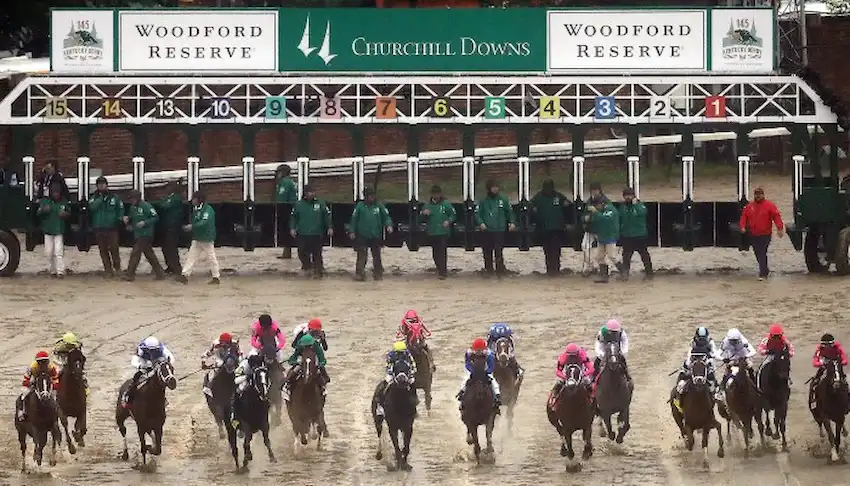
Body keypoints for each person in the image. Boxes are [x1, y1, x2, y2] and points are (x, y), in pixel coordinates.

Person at [739, 187, 784, 280]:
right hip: (753, 234)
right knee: (757, 253)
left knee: (762, 252)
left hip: (765, 234)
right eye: (756, 194)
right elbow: (744, 216)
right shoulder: (749, 206)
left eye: (759, 194)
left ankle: (763, 274)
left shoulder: (770, 205)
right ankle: (765, 270)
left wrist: (779, 228)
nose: (758, 196)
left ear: (763, 195)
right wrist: (742, 226)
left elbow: (776, 217)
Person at [349, 187, 393, 281]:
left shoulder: (379, 205)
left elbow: (386, 216)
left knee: (376, 255)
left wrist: (389, 225)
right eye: (370, 196)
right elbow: (354, 219)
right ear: (365, 196)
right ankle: (359, 273)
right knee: (362, 255)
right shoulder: (360, 206)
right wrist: (352, 231)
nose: (372, 198)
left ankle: (378, 273)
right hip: (362, 234)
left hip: (375, 235)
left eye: (373, 195)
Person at [290, 184, 333, 279]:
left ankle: (318, 271)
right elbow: (293, 217)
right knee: (302, 252)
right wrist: (292, 228)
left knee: (317, 253)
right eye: (310, 192)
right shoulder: (299, 204)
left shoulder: (320, 203)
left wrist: (329, 227)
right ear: (305, 193)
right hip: (302, 233)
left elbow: (326, 216)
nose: (312, 194)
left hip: (316, 233)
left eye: (313, 191)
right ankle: (307, 267)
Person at [122, 190, 166, 281]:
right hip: (138, 234)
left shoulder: (146, 206)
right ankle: (160, 273)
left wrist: (145, 223)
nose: (132, 201)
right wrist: (128, 221)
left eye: (133, 199)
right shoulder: (132, 208)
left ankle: (130, 274)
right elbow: (132, 218)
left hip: (146, 233)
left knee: (135, 253)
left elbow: (155, 217)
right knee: (149, 254)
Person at [475, 180, 516, 277]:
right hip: (486, 230)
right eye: (493, 187)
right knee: (487, 252)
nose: (495, 189)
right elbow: (477, 214)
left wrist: (512, 222)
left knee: (499, 252)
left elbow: (510, 213)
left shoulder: (503, 200)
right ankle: (489, 270)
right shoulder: (483, 201)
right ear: (489, 188)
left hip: (499, 229)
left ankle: (500, 271)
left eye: (497, 187)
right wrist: (481, 223)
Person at [178, 191, 220, 285]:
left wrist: (192, 227)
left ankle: (216, 277)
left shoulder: (208, 210)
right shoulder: (197, 209)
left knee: (211, 257)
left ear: (199, 200)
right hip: (198, 237)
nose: (192, 200)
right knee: (191, 256)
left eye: (194, 198)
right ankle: (184, 275)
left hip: (206, 238)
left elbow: (204, 222)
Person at [120, 336, 174, 408]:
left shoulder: (162, 348)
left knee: (162, 377)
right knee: (137, 376)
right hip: (144, 362)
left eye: (155, 350)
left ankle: (163, 397)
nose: (154, 352)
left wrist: (165, 364)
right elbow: (134, 361)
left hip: (157, 362)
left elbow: (171, 358)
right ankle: (127, 394)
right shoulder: (141, 350)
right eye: (152, 350)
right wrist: (141, 366)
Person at [531, 179, 569, 276]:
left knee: (555, 251)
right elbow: (530, 206)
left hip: (556, 229)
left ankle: (554, 270)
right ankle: (551, 270)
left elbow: (567, 204)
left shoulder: (557, 196)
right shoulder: (539, 197)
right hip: (544, 229)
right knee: (549, 251)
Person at [88, 176, 124, 277]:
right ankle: (108, 270)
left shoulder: (114, 197)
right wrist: (101, 199)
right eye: (99, 184)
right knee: (103, 250)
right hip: (99, 227)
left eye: (103, 184)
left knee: (114, 249)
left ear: (107, 185)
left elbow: (120, 209)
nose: (101, 186)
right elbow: (92, 207)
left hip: (112, 228)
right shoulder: (93, 197)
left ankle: (117, 268)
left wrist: (119, 218)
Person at [419, 184, 456, 279]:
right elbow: (420, 219)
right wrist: (424, 214)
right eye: (434, 194)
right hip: (432, 232)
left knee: (442, 252)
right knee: (435, 253)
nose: (436, 195)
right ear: (431, 194)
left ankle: (443, 272)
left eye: (438, 193)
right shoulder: (427, 205)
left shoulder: (446, 204)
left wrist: (448, 221)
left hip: (443, 232)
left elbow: (453, 214)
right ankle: (439, 268)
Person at [456, 337, 501, 413]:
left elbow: (491, 366)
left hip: (485, 370)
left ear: (484, 349)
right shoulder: (469, 353)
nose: (478, 352)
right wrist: (472, 370)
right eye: (477, 350)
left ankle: (497, 397)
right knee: (465, 380)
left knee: (494, 382)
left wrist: (487, 371)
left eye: (480, 350)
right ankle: (462, 396)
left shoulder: (489, 354)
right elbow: (467, 364)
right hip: (473, 370)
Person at [375, 340, 418, 417]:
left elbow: (413, 365)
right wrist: (392, 374)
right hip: (394, 375)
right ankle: (380, 405)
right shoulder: (391, 355)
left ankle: (414, 404)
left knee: (413, 383)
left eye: (402, 352)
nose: (401, 353)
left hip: (406, 375)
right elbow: (388, 366)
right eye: (399, 352)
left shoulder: (408, 354)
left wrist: (411, 374)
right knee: (385, 383)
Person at [675, 327, 721, 399]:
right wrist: (688, 362)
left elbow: (714, 352)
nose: (702, 340)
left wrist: (715, 357)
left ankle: (716, 392)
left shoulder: (710, 342)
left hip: (706, 361)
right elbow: (690, 353)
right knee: (684, 371)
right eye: (700, 338)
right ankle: (678, 392)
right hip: (694, 360)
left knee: (712, 372)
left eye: (703, 338)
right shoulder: (693, 342)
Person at [619, 187, 653, 280]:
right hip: (627, 235)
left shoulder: (640, 205)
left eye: (629, 195)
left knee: (644, 255)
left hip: (639, 235)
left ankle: (649, 273)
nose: (628, 197)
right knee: (626, 256)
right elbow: (620, 218)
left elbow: (643, 212)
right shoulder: (623, 207)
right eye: (626, 196)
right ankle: (625, 274)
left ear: (633, 196)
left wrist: (635, 205)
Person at [281, 334, 328, 402]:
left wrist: (320, 365)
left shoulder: (316, 345)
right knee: (292, 372)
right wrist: (296, 362)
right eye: (305, 346)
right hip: (301, 363)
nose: (307, 347)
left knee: (320, 374)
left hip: (314, 363)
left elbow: (322, 359)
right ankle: (288, 387)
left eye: (309, 346)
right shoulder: (300, 346)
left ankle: (323, 389)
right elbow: (292, 358)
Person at [38, 183, 70, 278]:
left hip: (59, 229)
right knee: (48, 252)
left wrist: (65, 214)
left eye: (57, 192)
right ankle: (52, 270)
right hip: (48, 229)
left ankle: (60, 271)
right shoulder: (45, 201)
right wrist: (44, 210)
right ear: (51, 193)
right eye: (54, 192)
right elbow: (38, 213)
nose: (56, 194)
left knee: (58, 252)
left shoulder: (64, 201)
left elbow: (69, 213)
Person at [16, 351, 60, 420]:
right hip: (34, 382)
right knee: (23, 395)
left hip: (47, 384)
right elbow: (25, 380)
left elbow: (55, 379)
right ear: (37, 362)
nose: (42, 363)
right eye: (40, 362)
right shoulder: (32, 367)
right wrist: (30, 383)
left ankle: (57, 410)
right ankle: (22, 411)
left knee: (55, 395)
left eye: (45, 361)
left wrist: (54, 386)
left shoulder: (51, 368)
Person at [154, 180, 185, 275]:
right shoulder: (169, 197)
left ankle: (176, 268)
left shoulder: (176, 198)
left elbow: (165, 205)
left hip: (173, 226)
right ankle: (170, 266)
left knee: (172, 247)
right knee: (166, 247)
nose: (166, 189)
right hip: (167, 226)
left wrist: (159, 203)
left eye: (168, 187)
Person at [809, 333, 848, 408]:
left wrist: (841, 362)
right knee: (814, 383)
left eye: (829, 345)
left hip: (837, 368)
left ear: (833, 344)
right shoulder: (819, 349)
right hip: (824, 368)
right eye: (825, 345)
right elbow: (815, 362)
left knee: (846, 382)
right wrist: (821, 363)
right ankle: (813, 401)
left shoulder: (838, 348)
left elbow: (844, 359)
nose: (827, 347)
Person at [588, 195, 620, 283]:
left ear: (602, 204)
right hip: (602, 236)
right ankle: (604, 276)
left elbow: (605, 219)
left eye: (596, 206)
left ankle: (624, 271)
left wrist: (595, 212)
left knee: (612, 256)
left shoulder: (611, 209)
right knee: (599, 257)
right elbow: (596, 222)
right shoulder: (599, 211)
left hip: (610, 236)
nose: (596, 208)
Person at [201, 332, 242, 397]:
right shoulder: (215, 344)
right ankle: (209, 386)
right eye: (226, 344)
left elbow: (240, 354)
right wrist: (203, 363)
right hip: (220, 359)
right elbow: (206, 354)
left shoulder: (234, 343)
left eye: (229, 344)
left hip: (232, 360)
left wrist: (239, 361)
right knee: (219, 366)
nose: (228, 346)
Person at [232, 353, 265, 432]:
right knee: (240, 389)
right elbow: (235, 380)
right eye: (254, 367)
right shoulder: (243, 366)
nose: (256, 368)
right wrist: (246, 377)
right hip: (243, 380)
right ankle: (235, 419)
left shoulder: (261, 365)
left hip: (254, 382)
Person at [718, 328, 757, 396]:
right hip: (732, 360)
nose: (733, 342)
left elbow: (753, 351)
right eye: (731, 341)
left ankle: (755, 386)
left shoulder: (744, 341)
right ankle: (721, 389)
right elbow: (717, 353)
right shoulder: (725, 342)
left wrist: (746, 356)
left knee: (750, 367)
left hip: (743, 360)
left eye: (735, 341)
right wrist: (723, 358)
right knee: (727, 370)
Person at [275, 164, 298, 259]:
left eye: (279, 172)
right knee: (289, 230)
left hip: (286, 208)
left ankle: (287, 253)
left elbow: (282, 197)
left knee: (286, 230)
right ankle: (286, 252)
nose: (277, 175)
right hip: (293, 207)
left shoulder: (284, 182)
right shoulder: (292, 181)